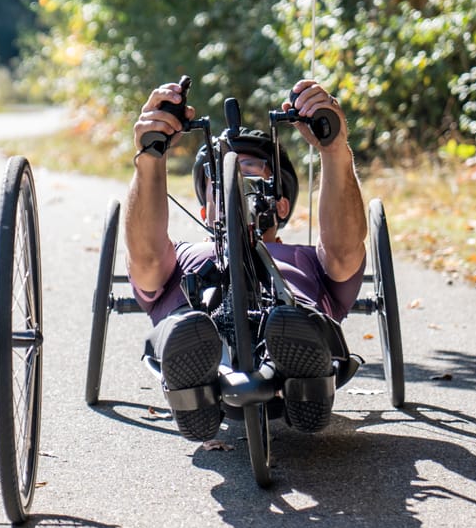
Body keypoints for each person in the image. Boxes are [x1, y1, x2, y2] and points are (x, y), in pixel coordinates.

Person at [123, 78, 366, 439]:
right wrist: (150, 156)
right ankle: (196, 386)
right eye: (220, 179)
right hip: (194, 326)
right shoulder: (183, 256)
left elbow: (346, 251)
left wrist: (333, 148)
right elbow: (144, 259)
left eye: (253, 170)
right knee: (180, 323)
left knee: (297, 319)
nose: (237, 178)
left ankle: (304, 377)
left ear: (281, 205)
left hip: (295, 321)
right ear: (205, 210)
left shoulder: (309, 259)